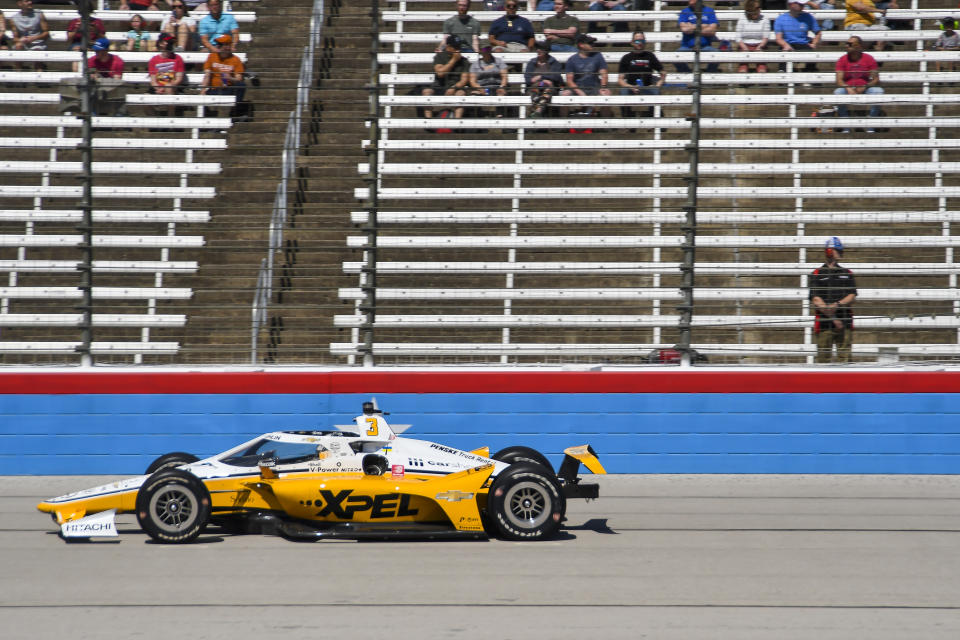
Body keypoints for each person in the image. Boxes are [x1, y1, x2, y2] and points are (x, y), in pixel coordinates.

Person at [810, 237, 857, 364]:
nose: (841, 253)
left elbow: (852, 295)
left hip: (845, 323)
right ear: (829, 251)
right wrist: (834, 318)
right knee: (823, 360)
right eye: (838, 250)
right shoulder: (817, 273)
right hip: (825, 325)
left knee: (845, 360)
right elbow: (816, 299)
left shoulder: (847, 273)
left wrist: (837, 304)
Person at [833, 35, 883, 132]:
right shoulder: (842, 59)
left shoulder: (868, 58)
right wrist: (848, 88)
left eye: (850, 44)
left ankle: (871, 124)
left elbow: (876, 79)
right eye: (846, 43)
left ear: (859, 46)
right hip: (848, 88)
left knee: (879, 92)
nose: (847, 46)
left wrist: (865, 86)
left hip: (865, 87)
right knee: (838, 93)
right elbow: (839, 80)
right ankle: (846, 124)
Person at [561, 34, 612, 118]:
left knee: (607, 94)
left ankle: (605, 124)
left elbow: (604, 74)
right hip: (578, 88)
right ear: (581, 45)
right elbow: (569, 81)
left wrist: (603, 87)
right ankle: (563, 124)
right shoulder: (572, 60)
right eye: (590, 43)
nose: (593, 44)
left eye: (592, 42)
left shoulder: (598, 56)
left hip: (595, 87)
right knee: (564, 95)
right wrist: (580, 92)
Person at [421, 35, 470, 121]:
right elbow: (440, 73)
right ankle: (428, 122)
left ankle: (456, 123)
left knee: (461, 94)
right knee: (426, 92)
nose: (458, 49)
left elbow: (464, 80)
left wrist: (454, 88)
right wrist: (453, 60)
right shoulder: (440, 57)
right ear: (448, 47)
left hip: (455, 87)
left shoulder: (464, 61)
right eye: (455, 47)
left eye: (459, 47)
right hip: (439, 86)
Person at [618, 30, 665, 118]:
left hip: (647, 87)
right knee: (622, 93)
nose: (639, 43)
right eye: (637, 41)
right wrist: (630, 87)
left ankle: (653, 120)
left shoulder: (650, 56)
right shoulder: (626, 58)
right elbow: (620, 79)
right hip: (631, 87)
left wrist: (658, 84)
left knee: (656, 92)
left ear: (645, 42)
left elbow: (663, 72)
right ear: (632, 42)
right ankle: (628, 120)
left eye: (642, 41)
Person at [201, 34, 248, 120]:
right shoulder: (212, 56)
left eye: (220, 44)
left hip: (228, 88)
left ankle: (234, 113)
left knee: (241, 85)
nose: (217, 46)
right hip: (214, 89)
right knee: (204, 95)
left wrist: (229, 78)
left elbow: (239, 78)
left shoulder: (235, 60)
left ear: (227, 46)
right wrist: (203, 89)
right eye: (217, 44)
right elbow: (207, 75)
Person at [774, 0, 821, 72]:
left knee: (811, 56)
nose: (803, 6)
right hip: (788, 43)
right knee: (783, 52)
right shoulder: (781, 19)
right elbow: (779, 38)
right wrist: (785, 45)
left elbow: (818, 33)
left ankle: (808, 76)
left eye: (802, 4)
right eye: (800, 4)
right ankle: (783, 74)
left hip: (803, 44)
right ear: (791, 4)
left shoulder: (808, 17)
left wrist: (814, 43)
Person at [675, 0, 720, 74]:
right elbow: (684, 29)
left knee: (717, 54)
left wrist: (691, 26)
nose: (690, 2)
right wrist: (703, 26)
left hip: (705, 46)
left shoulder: (709, 11)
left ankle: (709, 75)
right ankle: (688, 75)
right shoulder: (685, 11)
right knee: (675, 56)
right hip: (687, 47)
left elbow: (712, 31)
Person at [148, 33, 185, 118]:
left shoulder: (178, 58)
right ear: (160, 43)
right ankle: (155, 122)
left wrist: (166, 87)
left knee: (169, 87)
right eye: (167, 41)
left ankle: (170, 117)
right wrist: (158, 88)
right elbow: (153, 80)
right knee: (144, 99)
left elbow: (179, 79)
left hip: (172, 88)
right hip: (158, 88)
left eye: (171, 42)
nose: (170, 43)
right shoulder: (154, 60)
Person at [524, 40, 563, 117]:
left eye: (541, 48)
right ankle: (537, 112)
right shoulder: (532, 62)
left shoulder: (554, 63)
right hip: (535, 87)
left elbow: (556, 77)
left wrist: (541, 77)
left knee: (547, 89)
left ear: (546, 51)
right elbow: (528, 80)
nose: (538, 50)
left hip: (549, 88)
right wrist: (544, 80)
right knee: (537, 89)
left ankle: (536, 112)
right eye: (537, 48)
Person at [469, 45, 510, 117]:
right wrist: (479, 88)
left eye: (488, 49)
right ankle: (479, 118)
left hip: (497, 86)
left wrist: (502, 86)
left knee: (501, 93)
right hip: (483, 87)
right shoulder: (475, 64)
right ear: (481, 50)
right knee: (474, 95)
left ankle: (500, 116)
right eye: (485, 49)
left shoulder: (498, 61)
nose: (487, 51)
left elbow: (504, 76)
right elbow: (472, 81)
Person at [7, 0, 48, 71]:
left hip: (37, 43)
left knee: (37, 51)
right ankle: (18, 74)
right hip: (23, 43)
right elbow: (15, 39)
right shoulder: (14, 19)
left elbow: (46, 33)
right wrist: (21, 40)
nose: (30, 2)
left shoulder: (39, 14)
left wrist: (34, 38)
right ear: (20, 3)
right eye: (26, 1)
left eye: (30, 0)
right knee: (18, 46)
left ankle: (39, 77)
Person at [735, 0, 771, 73]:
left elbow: (766, 36)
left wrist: (760, 47)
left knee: (762, 70)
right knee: (743, 69)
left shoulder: (765, 19)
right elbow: (738, 37)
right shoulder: (742, 19)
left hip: (760, 45)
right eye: (756, 8)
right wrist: (744, 48)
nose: (759, 10)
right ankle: (744, 82)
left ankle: (762, 82)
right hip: (744, 45)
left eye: (759, 8)